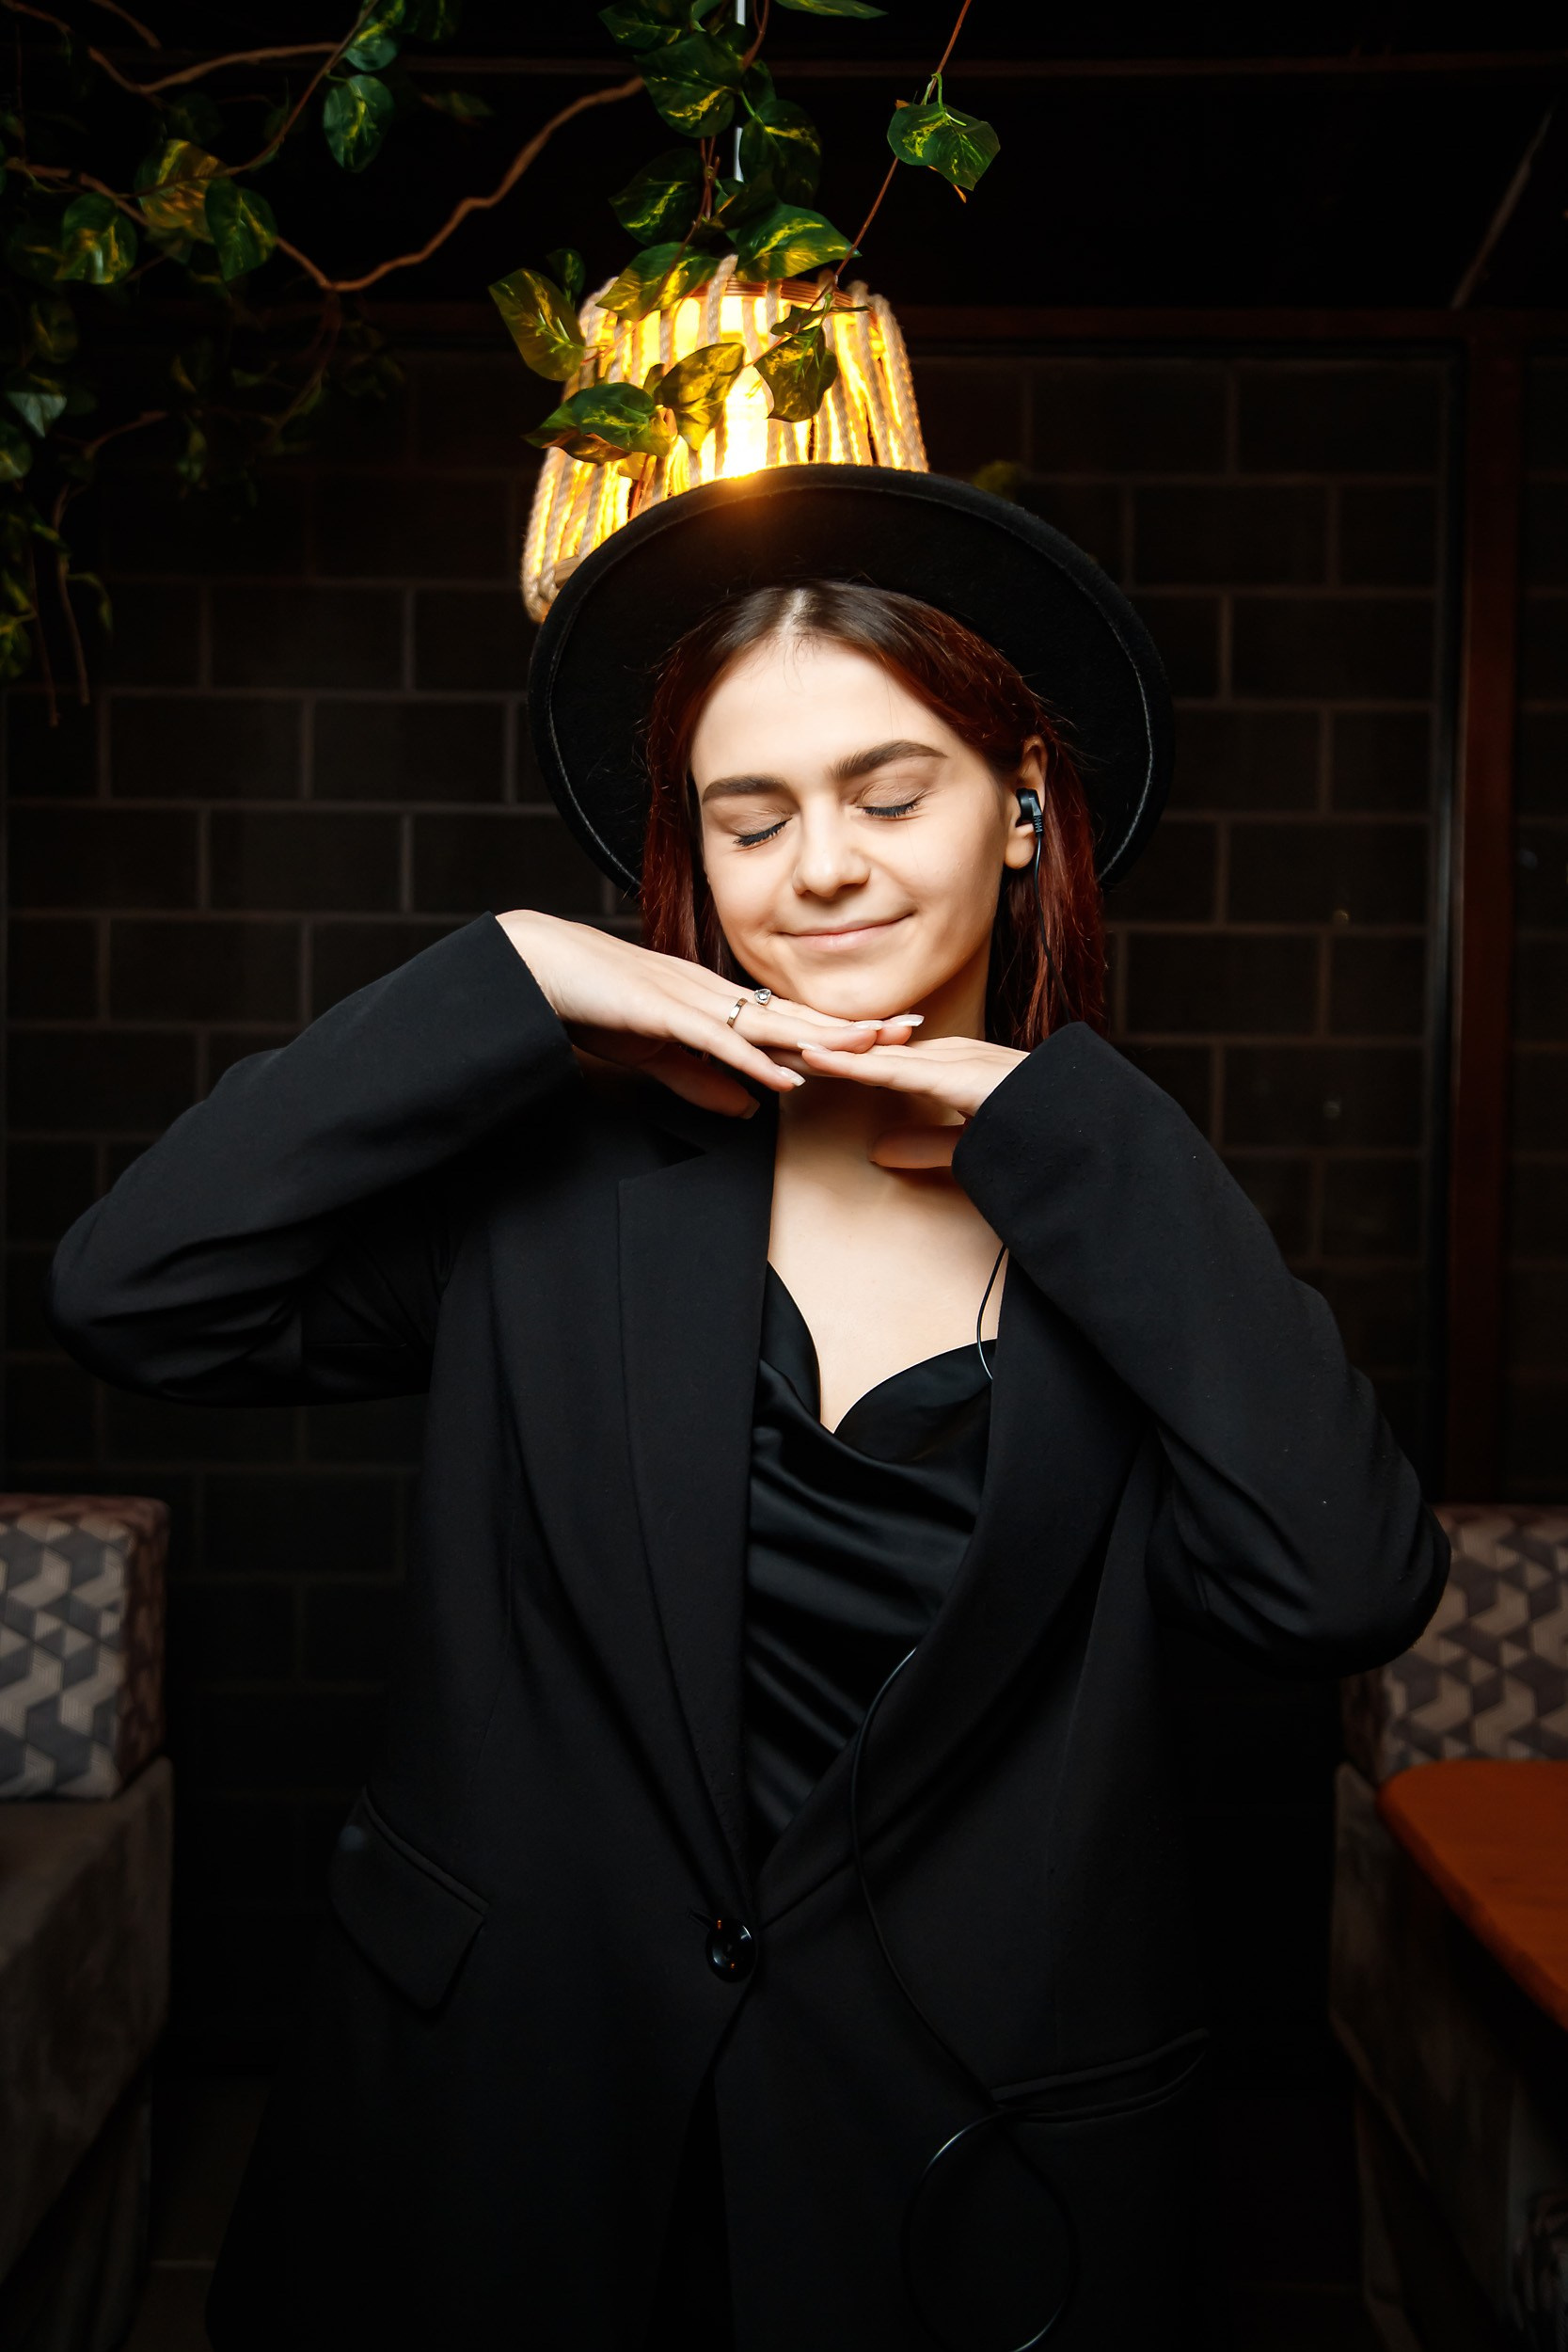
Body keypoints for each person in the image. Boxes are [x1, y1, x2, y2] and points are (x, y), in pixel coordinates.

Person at [45, 466, 1447, 2351]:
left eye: (891, 792)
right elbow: (131, 1291)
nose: (824, 866)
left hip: (956, 2170)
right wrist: (509, 973)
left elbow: (1342, 1582)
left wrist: (1080, 1131)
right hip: (507, 2130)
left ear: (1025, 800)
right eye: (752, 817)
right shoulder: (555, 1191)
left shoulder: (1122, 1227)